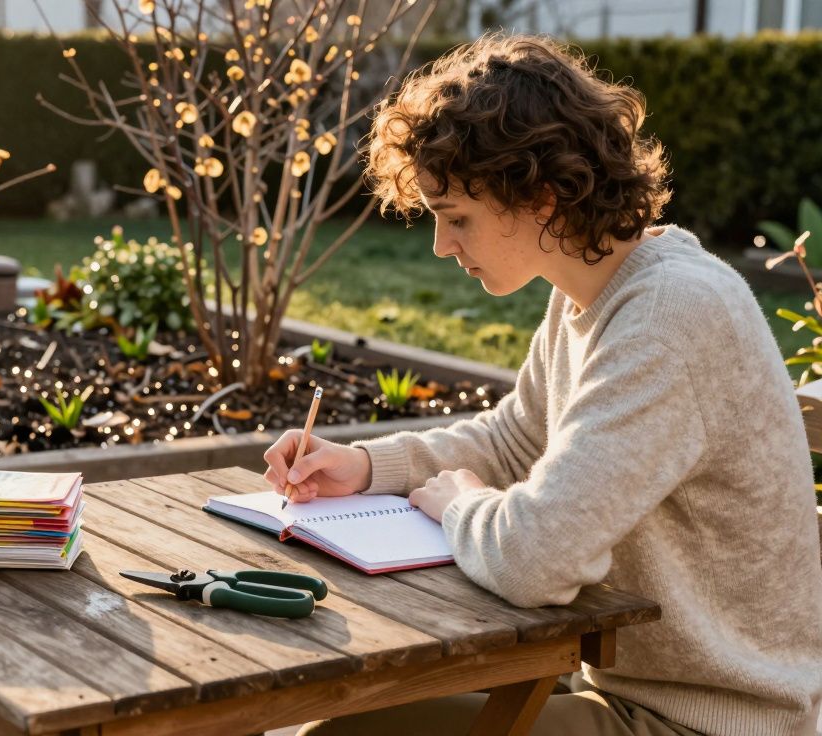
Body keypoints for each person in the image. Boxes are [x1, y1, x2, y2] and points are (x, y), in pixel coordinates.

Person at [263, 34, 822, 736]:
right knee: (339, 720)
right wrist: (369, 466)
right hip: (627, 692)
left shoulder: (668, 318)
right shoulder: (594, 293)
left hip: (709, 724)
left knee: (342, 729)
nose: (442, 247)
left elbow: (537, 559)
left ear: (543, 199)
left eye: (456, 218)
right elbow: (515, 438)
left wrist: (461, 505)